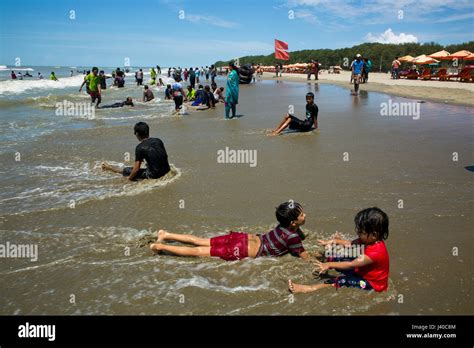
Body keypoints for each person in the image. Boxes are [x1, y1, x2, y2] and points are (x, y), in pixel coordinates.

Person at [149, 201, 312, 261]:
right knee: (197, 251)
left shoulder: (284, 226)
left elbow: (294, 235)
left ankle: (166, 234)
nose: (305, 215)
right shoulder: (293, 236)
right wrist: (321, 259)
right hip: (242, 249)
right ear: (293, 222)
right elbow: (306, 258)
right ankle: (161, 247)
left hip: (244, 238)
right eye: (302, 214)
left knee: (199, 240)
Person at [288, 207, 390, 294]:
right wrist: (333, 241)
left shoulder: (376, 252)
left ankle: (309, 288)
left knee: (341, 281)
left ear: (374, 234)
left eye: (361, 231)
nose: (358, 232)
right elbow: (350, 244)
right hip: (360, 270)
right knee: (336, 257)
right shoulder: (368, 239)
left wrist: (329, 265)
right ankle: (311, 257)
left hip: (371, 283)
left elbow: (352, 264)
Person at [102, 122, 170, 181]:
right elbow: (162, 156)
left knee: (126, 170)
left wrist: (129, 179)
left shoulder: (140, 147)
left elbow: (136, 169)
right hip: (167, 170)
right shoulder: (158, 140)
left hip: (154, 175)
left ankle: (110, 169)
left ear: (137, 134)